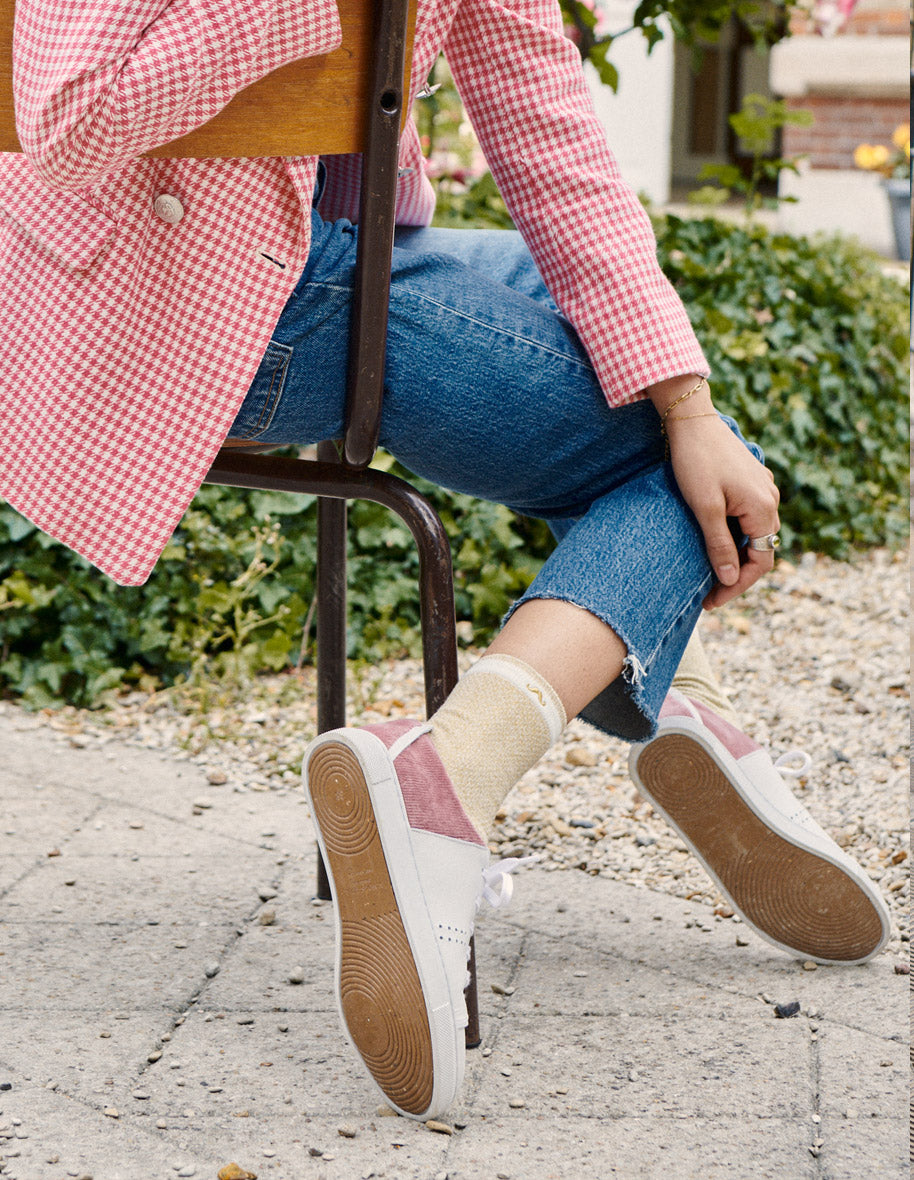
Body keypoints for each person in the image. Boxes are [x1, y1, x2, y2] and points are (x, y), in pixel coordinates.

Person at [0, 0, 890, 1125]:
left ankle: (643, 705)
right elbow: (72, 118)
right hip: (187, 308)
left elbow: (552, 138)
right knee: (675, 471)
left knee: (644, 380)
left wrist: (687, 394)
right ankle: (461, 768)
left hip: (334, 261)